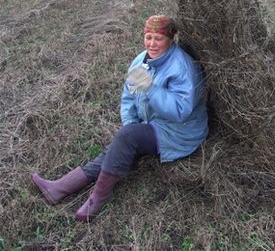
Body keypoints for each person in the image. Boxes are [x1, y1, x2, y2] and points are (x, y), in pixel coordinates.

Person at [31, 15, 209, 222]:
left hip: (181, 131)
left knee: (128, 138)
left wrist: (151, 88)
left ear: (170, 39)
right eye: (148, 37)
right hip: (153, 124)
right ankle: (60, 187)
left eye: (158, 39)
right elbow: (128, 98)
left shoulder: (181, 67)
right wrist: (130, 124)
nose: (151, 43)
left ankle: (97, 198)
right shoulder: (140, 62)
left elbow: (180, 111)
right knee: (123, 141)